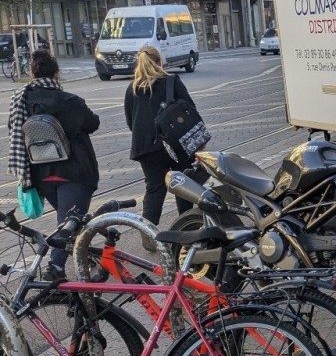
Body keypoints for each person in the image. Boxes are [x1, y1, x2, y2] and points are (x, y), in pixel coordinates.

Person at [6, 50, 101, 279]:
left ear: (32, 72)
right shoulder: (70, 101)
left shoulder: (21, 101)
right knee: (68, 222)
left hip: (41, 175)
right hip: (75, 173)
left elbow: (14, 130)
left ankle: (88, 261)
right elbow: (93, 123)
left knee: (70, 222)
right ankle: (55, 269)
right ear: (57, 73)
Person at [124, 45, 201, 226]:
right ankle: (187, 226)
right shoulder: (171, 81)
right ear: (159, 62)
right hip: (174, 144)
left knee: (154, 188)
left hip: (146, 147)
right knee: (182, 185)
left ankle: (148, 230)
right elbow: (190, 111)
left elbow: (130, 121)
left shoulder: (133, 88)